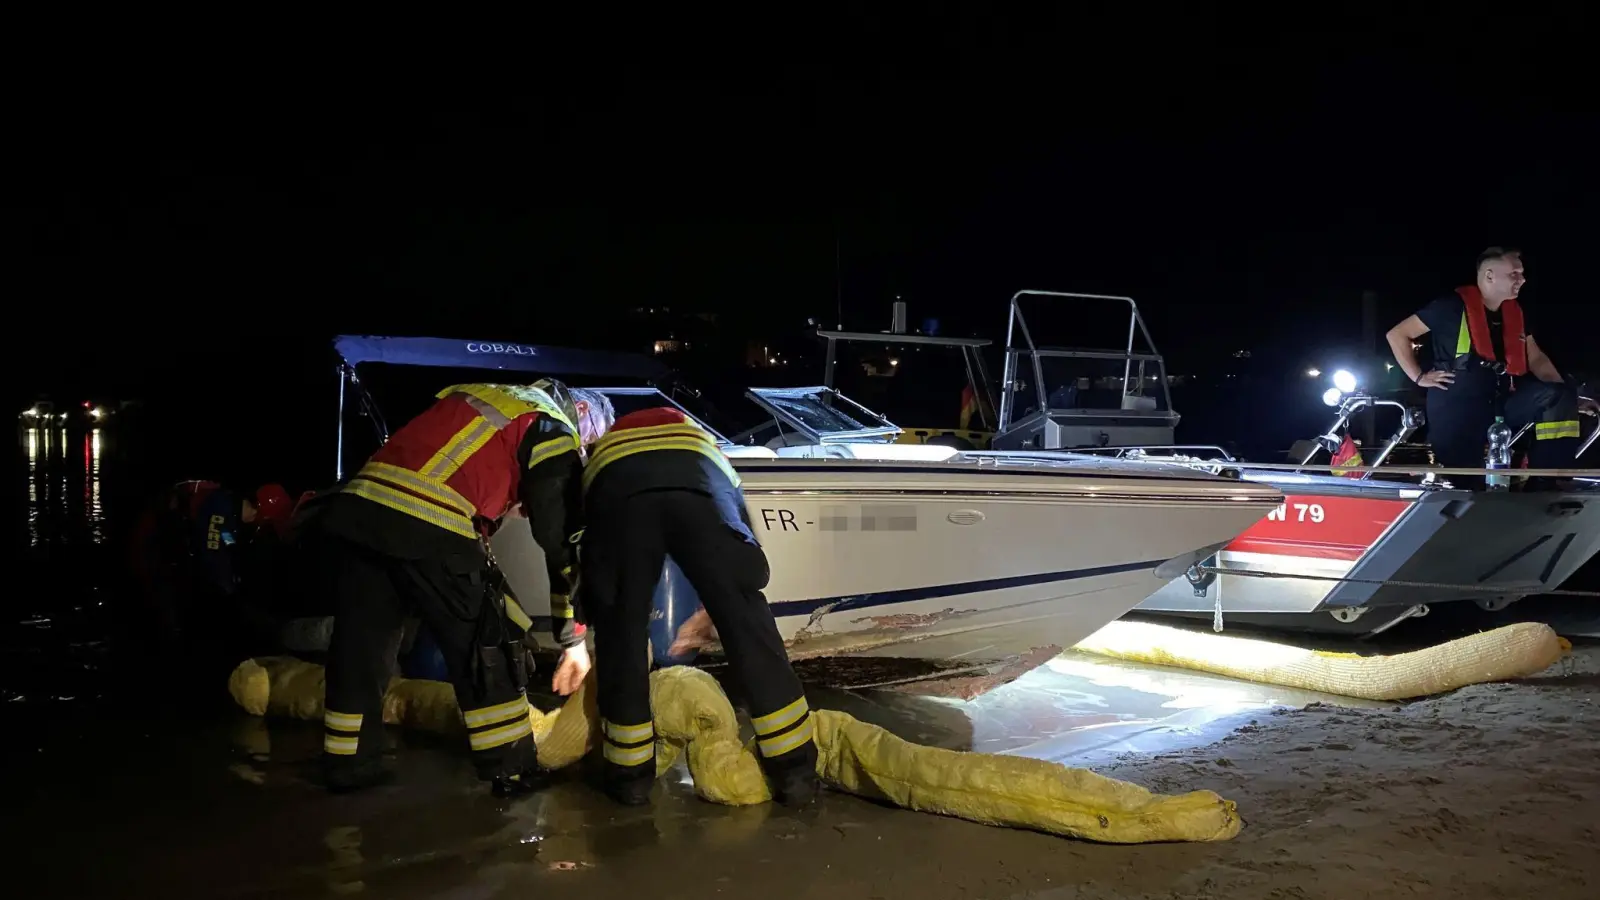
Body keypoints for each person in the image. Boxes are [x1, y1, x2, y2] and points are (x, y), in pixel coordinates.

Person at [315, 379, 614, 795]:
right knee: (489, 644)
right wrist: (573, 638)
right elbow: (560, 542)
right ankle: (512, 768)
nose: (581, 455)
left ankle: (347, 761)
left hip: (360, 508)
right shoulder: (550, 423)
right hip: (429, 516)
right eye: (588, 445)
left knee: (361, 648)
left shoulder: (487, 397)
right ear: (582, 414)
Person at [579, 405, 818, 807]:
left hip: (623, 503)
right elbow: (748, 555)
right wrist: (723, 598)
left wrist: (584, 618)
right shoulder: (705, 446)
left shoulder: (601, 456)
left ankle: (629, 779)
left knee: (622, 632)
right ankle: (795, 775)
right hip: (700, 496)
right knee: (746, 621)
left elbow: (587, 543)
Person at [1385, 247, 1595, 487]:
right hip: (1457, 408)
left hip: (1499, 404)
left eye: (1522, 273)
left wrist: (1569, 399)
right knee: (1468, 484)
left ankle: (1547, 483)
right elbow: (1398, 334)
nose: (1522, 279)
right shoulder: (1449, 307)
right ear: (1489, 275)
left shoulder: (1515, 313)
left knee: (1558, 395)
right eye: (1514, 273)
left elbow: (1536, 359)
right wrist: (1419, 376)